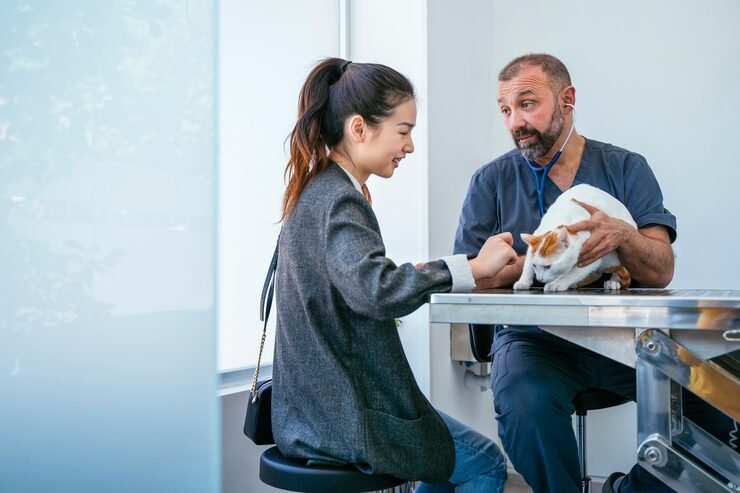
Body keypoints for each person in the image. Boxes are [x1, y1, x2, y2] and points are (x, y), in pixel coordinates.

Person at [271, 57, 515, 492]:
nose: (410, 147)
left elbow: (355, 284)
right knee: (486, 463)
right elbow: (376, 290)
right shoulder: (340, 200)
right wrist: (472, 267)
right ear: (359, 128)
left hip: (310, 412)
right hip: (344, 419)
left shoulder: (315, 192)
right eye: (404, 132)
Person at [453, 53, 682, 493]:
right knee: (526, 406)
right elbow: (469, 274)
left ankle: (628, 490)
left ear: (567, 99)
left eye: (527, 104)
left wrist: (623, 237)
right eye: (505, 110)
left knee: (713, 401)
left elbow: (662, 268)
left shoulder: (624, 168)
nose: (515, 122)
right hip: (533, 342)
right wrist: (533, 265)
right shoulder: (492, 182)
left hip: (623, 340)